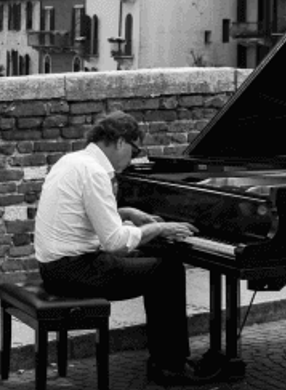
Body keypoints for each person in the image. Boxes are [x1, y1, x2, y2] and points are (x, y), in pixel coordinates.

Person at [33, 110, 217, 385]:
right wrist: (159, 228)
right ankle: (170, 366)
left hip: (54, 267)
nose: (133, 157)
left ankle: (166, 358)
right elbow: (115, 243)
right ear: (120, 141)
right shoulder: (95, 172)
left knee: (157, 257)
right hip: (75, 271)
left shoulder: (73, 161)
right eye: (135, 149)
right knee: (168, 271)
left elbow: (86, 215)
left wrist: (128, 212)